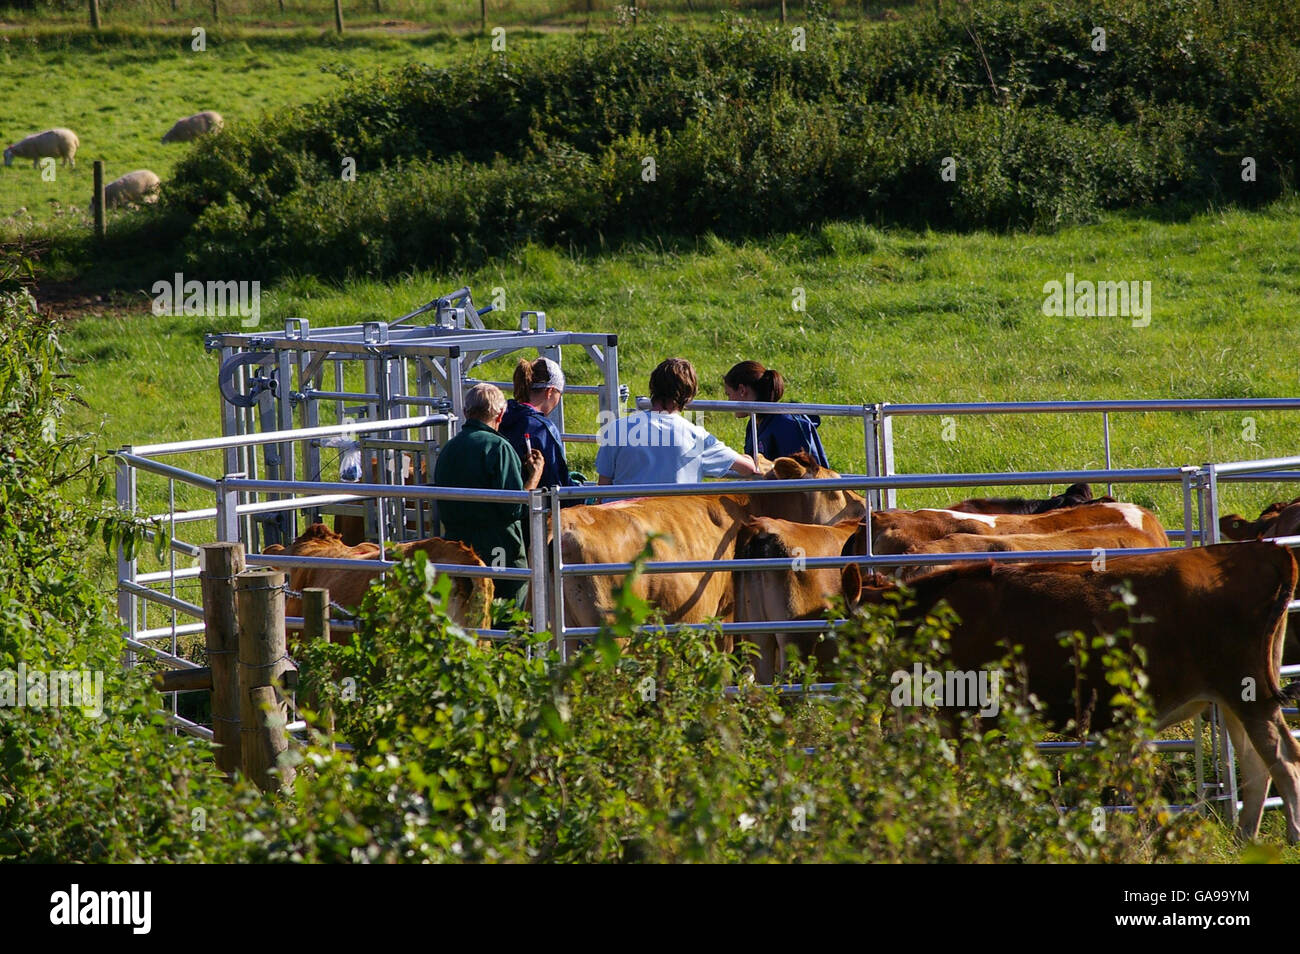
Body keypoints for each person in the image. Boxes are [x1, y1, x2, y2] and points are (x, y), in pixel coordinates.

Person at [433, 383, 544, 604]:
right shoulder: (499, 448)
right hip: (499, 552)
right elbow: (514, 507)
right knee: (505, 620)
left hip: (457, 550)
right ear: (500, 414)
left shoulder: (448, 449)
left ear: (465, 412)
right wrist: (533, 478)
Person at [596, 357, 759, 485]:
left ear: (653, 387)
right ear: (689, 396)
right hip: (673, 524)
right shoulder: (696, 437)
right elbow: (748, 469)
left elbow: (603, 488)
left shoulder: (617, 429)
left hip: (623, 522)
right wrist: (749, 458)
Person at [722, 360, 830, 468]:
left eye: (729, 394)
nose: (728, 401)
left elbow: (803, 473)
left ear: (742, 390)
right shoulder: (754, 423)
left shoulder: (786, 425)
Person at [499, 356, 579, 489]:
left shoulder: (498, 418)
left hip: (498, 500)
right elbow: (556, 482)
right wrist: (579, 491)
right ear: (550, 391)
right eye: (559, 393)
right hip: (536, 505)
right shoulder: (542, 428)